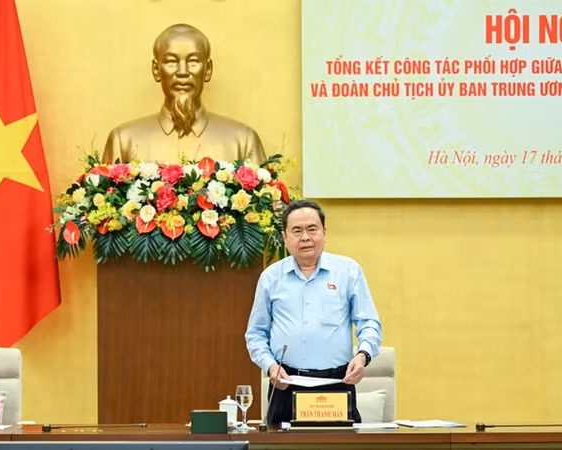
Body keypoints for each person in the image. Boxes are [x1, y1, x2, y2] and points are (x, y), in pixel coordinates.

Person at [245, 200, 382, 424]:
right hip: (286, 382)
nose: (305, 237)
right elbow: (256, 333)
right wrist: (270, 365)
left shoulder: (348, 271)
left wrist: (363, 355)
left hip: (337, 382)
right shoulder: (271, 277)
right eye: (296, 231)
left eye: (312, 229)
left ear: (324, 233)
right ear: (284, 237)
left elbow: (369, 322)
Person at [102, 23, 266, 165]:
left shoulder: (243, 142)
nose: (182, 72)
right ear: (156, 70)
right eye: (171, 61)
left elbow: (267, 199)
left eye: (193, 61)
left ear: (207, 70)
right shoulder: (123, 141)